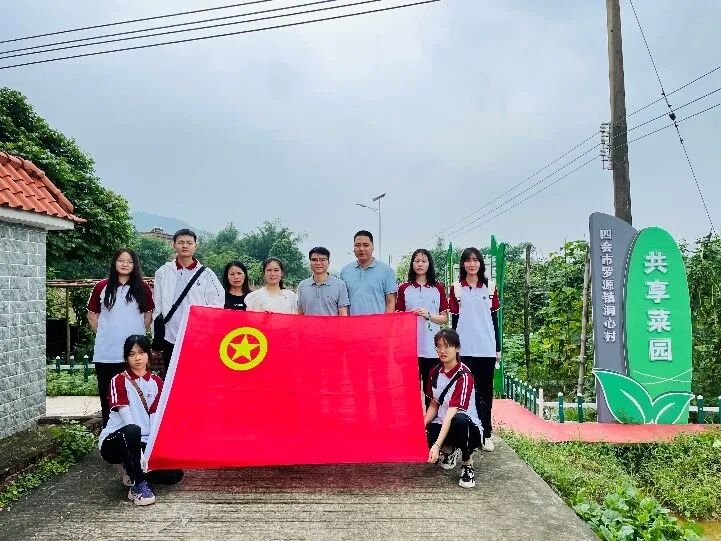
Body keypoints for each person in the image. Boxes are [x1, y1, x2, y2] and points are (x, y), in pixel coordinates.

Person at [99, 335, 183, 506]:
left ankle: (133, 472)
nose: (137, 358)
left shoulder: (157, 382)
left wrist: (151, 453)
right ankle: (138, 484)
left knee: (174, 474)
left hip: (144, 442)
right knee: (133, 430)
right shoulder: (118, 380)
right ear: (126, 358)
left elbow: (155, 418)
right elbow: (128, 420)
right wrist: (141, 456)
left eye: (141, 353)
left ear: (148, 355)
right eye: (132, 354)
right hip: (117, 441)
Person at [87, 248, 154, 426]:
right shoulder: (101, 287)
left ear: (135, 265)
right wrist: (106, 334)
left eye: (129, 261)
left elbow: (148, 317)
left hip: (134, 354)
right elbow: (92, 316)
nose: (125, 264)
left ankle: (137, 434)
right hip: (106, 354)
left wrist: (136, 335)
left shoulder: (143, 288)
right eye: (121, 260)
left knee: (136, 396)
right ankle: (109, 434)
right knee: (108, 397)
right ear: (114, 263)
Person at [449, 247, 501, 452]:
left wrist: (497, 348)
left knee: (485, 393)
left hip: (486, 349)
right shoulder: (456, 288)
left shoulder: (490, 288)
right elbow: (454, 322)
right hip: (464, 350)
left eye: (475, 260)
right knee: (464, 392)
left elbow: (494, 321)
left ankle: (485, 434)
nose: (472, 264)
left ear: (481, 263)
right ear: (462, 264)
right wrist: (453, 349)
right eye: (468, 260)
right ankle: (464, 433)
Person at [152, 229, 224, 372]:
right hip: (170, 336)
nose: (185, 246)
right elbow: (157, 306)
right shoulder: (163, 272)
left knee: (197, 375)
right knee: (172, 375)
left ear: (195, 246)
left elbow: (218, 303)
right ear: (174, 245)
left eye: (189, 243)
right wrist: (157, 336)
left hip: (198, 336)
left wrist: (204, 326)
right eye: (181, 242)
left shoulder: (206, 274)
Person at [425, 328, 483, 489]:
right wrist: (421, 427)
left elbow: (452, 413)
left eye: (447, 346)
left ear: (457, 348)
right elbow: (434, 404)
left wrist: (436, 445)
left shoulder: (464, 376)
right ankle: (449, 450)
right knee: (422, 434)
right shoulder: (434, 372)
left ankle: (467, 464)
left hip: (466, 427)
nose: (442, 351)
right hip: (443, 422)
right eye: (439, 346)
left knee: (460, 420)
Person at [396, 249, 448, 401]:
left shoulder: (438, 288)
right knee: (409, 390)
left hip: (431, 348)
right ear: (412, 264)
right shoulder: (404, 288)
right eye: (417, 261)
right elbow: (398, 316)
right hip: (409, 348)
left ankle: (431, 417)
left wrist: (428, 315)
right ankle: (413, 417)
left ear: (429, 264)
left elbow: (444, 318)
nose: (420, 264)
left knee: (431, 391)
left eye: (424, 261)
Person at [340, 230, 397, 315]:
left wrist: (387, 322)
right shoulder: (345, 271)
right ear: (353, 248)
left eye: (366, 245)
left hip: (378, 322)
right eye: (357, 245)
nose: (361, 249)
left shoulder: (387, 271)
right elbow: (342, 304)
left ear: (372, 247)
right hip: (353, 322)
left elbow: (390, 302)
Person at [297, 247, 350, 316]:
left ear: (328, 263)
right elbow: (300, 312)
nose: (318, 263)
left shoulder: (340, 285)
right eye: (314, 260)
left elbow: (343, 314)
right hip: (308, 323)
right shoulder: (302, 285)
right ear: (310, 262)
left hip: (331, 323)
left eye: (323, 260)